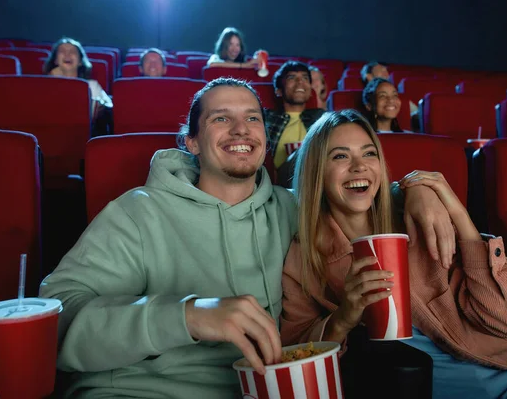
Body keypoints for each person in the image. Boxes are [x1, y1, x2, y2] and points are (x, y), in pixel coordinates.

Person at [39, 78, 461, 398]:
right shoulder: (137, 211)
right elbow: (52, 323)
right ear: (191, 142)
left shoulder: (294, 209)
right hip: (138, 390)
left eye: (252, 119)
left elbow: (360, 190)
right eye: (222, 118)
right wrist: (188, 316)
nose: (241, 130)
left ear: (264, 137)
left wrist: (415, 188)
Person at [280, 109, 507, 399]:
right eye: (340, 156)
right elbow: (296, 358)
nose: (359, 167)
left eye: (369, 153)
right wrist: (343, 318)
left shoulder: (422, 222)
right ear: (317, 171)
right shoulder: (302, 257)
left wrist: (457, 212)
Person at [265, 61, 324, 186]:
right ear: (279, 91)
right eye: (292, 77)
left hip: (316, 184)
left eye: (305, 78)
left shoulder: (321, 118)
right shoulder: (267, 118)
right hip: (278, 186)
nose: (300, 82)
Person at [43, 37, 113, 118]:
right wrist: (52, 79)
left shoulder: (92, 86)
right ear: (55, 60)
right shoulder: (44, 86)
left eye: (72, 51)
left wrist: (100, 106)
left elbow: (109, 106)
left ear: (80, 62)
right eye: (62, 51)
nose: (67, 54)